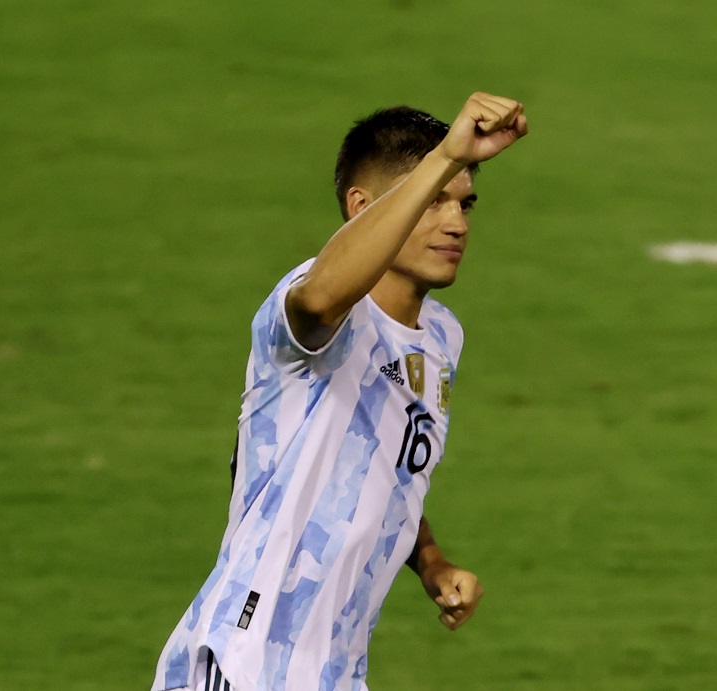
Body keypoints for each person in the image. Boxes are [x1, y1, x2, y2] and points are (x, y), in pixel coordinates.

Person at [151, 92, 528, 691]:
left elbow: (383, 463)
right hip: (248, 659)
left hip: (334, 670)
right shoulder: (313, 315)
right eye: (434, 201)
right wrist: (447, 154)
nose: (457, 223)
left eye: (465, 203)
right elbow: (325, 296)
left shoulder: (441, 337)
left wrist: (429, 559)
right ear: (361, 207)